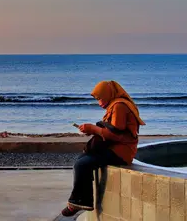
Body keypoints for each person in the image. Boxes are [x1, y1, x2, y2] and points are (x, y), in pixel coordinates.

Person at [61, 80, 146, 217]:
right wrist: (93, 131)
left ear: (108, 94)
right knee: (81, 160)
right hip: (113, 147)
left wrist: (93, 128)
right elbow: (109, 130)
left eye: (100, 98)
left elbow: (116, 135)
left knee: (83, 164)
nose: (99, 102)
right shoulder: (114, 104)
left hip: (121, 151)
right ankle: (82, 200)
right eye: (97, 99)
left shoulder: (119, 106)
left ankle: (78, 202)